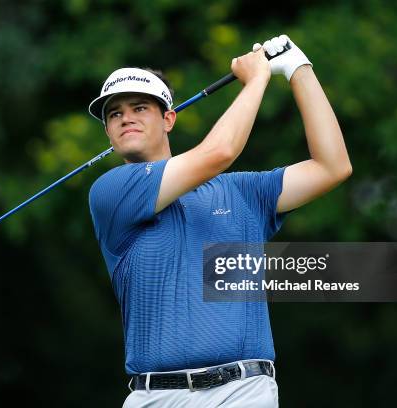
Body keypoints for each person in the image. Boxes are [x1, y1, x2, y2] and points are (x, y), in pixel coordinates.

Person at [87, 34, 352, 407]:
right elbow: (221, 151)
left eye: (139, 107)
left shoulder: (242, 192)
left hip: (242, 391)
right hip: (156, 395)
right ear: (108, 133)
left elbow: (332, 166)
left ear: (169, 119)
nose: (125, 118)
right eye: (114, 113)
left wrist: (298, 69)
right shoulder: (111, 192)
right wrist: (258, 78)